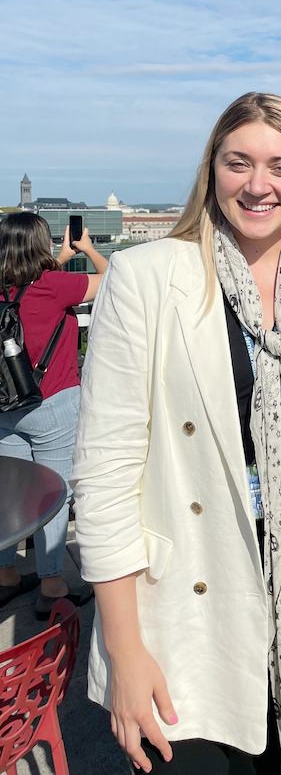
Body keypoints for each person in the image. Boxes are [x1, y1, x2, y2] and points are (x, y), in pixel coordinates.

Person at [71, 92, 281, 775]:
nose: (259, 185)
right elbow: (104, 476)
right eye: (240, 163)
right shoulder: (147, 277)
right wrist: (125, 649)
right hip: (184, 623)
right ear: (213, 170)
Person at [0, 212, 106, 619]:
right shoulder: (54, 286)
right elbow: (113, 279)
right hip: (51, 405)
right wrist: (87, 250)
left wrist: (58, 258)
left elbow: (22, 295)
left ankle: (6, 576)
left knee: (11, 493)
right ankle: (51, 585)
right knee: (52, 496)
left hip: (6, 408)